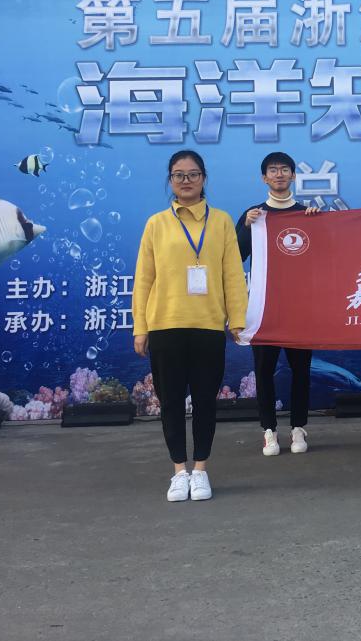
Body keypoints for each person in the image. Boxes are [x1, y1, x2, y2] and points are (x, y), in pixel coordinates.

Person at [133, 150, 247, 502]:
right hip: (165, 325)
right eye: (179, 175)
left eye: (193, 174)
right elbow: (144, 279)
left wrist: (237, 319)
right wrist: (140, 327)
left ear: (204, 178)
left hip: (208, 326)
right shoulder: (156, 224)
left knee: (205, 401)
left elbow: (232, 274)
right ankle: (178, 472)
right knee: (170, 403)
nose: (186, 180)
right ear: (170, 180)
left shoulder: (222, 221)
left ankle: (200, 470)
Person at [235, 152, 320, 457]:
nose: (279, 174)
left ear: (293, 176)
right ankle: (268, 430)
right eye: (273, 170)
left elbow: (325, 257)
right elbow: (236, 256)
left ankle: (298, 427)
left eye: (285, 169)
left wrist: (318, 224)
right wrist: (246, 226)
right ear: (264, 178)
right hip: (265, 308)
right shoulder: (253, 215)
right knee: (264, 371)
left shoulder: (306, 213)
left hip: (300, 309)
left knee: (301, 371)